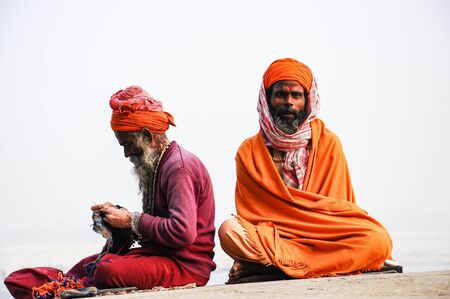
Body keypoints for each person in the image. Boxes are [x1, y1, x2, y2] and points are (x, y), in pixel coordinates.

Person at [5, 85, 216, 298]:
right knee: (84, 267)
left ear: (147, 135)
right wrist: (118, 218)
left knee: (106, 271)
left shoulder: (179, 167)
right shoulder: (158, 163)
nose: (126, 154)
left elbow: (182, 232)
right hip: (159, 255)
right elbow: (156, 225)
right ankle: (61, 287)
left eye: (127, 144)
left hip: (186, 266)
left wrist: (131, 220)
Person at [218, 58, 395, 284]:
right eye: (281, 94)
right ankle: (290, 265)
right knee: (229, 231)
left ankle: (275, 268)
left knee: (377, 240)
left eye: (297, 95)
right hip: (276, 240)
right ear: (268, 100)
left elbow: (341, 211)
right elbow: (251, 214)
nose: (289, 102)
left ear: (308, 100)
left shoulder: (329, 143)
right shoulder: (249, 151)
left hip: (326, 239)